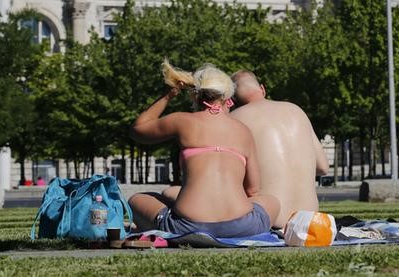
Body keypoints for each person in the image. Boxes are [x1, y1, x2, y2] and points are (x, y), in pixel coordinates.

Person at [128, 62, 279, 237]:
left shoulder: (182, 121)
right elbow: (252, 190)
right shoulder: (243, 131)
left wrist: (169, 95)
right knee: (271, 201)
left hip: (186, 226)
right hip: (241, 226)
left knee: (137, 199)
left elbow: (137, 129)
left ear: (195, 96)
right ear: (227, 97)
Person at [229, 70, 329, 228]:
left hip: (270, 219)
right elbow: (323, 167)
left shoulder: (235, 119)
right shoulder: (296, 110)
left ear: (232, 99)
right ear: (262, 88)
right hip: (309, 221)